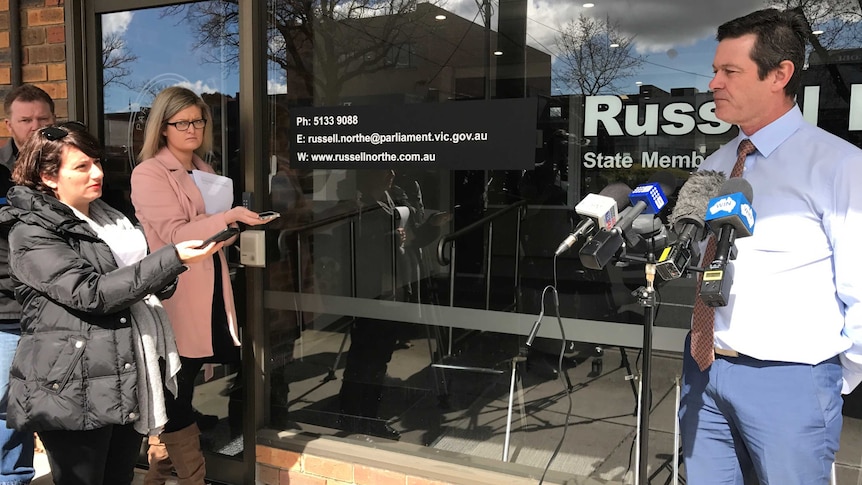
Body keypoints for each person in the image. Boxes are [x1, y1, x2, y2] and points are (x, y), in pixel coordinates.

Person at [678, 8, 862, 485]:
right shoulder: (717, 164)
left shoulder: (840, 165)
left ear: (780, 74)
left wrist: (826, 380)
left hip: (792, 382)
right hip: (704, 369)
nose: (714, 82)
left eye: (730, 71)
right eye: (714, 70)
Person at [0, 122, 220, 485]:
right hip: (71, 382)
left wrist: (166, 272)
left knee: (119, 478)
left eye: (97, 162)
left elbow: (136, 281)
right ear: (49, 176)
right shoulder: (31, 230)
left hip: (125, 370)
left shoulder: (109, 218)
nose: (97, 173)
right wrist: (170, 259)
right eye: (82, 167)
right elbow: (92, 292)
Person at [130, 86, 268, 484]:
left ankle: (158, 475)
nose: (193, 129)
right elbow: (175, 234)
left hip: (208, 288)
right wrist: (228, 220)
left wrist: (238, 225)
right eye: (182, 122)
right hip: (176, 293)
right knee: (177, 385)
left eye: (198, 121)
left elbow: (213, 235)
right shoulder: (149, 172)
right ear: (163, 127)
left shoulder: (205, 169)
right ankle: (192, 476)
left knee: (182, 384)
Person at [337, 169, 449, 439]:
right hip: (372, 289)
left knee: (379, 354)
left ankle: (361, 414)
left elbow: (409, 240)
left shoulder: (393, 195)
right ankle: (358, 415)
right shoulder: (355, 202)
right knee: (367, 352)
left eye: (391, 168)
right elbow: (351, 245)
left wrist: (432, 227)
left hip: (395, 285)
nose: (390, 174)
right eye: (383, 169)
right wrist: (388, 241)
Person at [0, 84, 56, 485]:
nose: (35, 127)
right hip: (8, 316)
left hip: (62, 314)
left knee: (64, 411)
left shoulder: (71, 168)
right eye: (26, 120)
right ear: (9, 125)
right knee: (8, 415)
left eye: (43, 119)